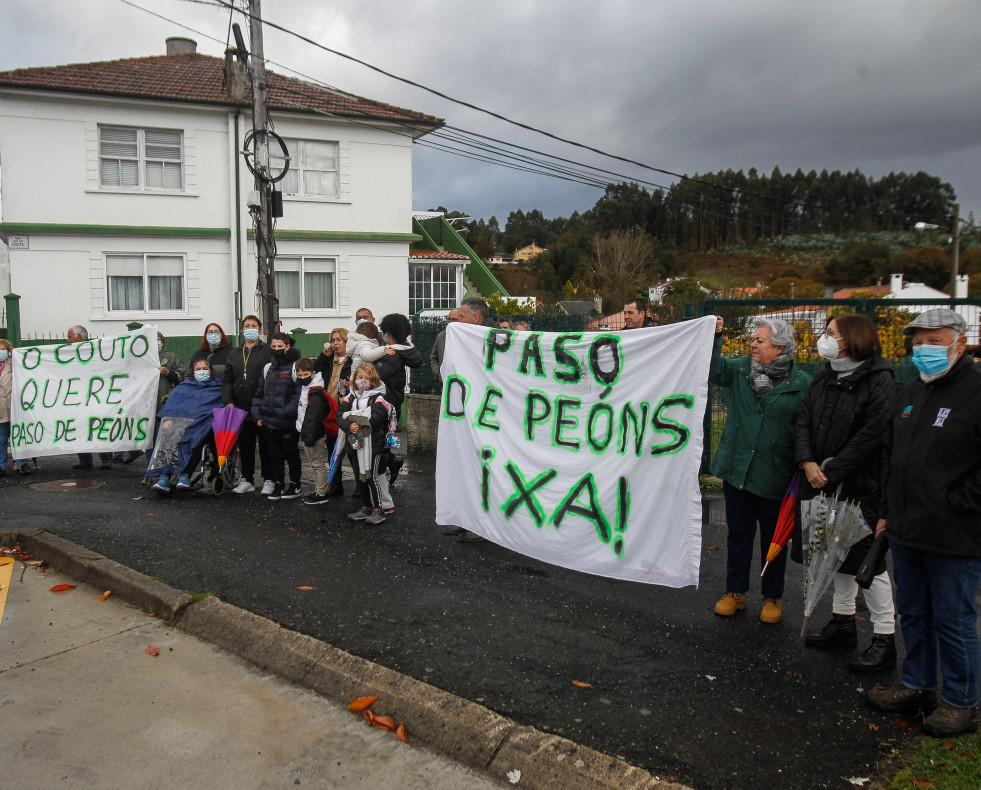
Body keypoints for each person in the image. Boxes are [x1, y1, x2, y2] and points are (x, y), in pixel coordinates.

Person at [867, 308, 981, 737]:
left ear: (959, 344)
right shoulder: (912, 391)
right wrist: (885, 510)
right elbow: (891, 456)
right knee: (913, 612)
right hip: (906, 527)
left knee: (952, 619)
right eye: (918, 341)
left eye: (935, 341)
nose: (925, 349)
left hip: (954, 534)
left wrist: (957, 503)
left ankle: (961, 701)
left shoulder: (975, 391)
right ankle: (918, 685)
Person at [795, 314, 897, 671]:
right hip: (821, 482)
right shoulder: (824, 377)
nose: (825, 338)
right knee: (833, 552)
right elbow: (804, 420)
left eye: (832, 333)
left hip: (861, 487)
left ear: (852, 338)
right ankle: (842, 621)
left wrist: (832, 470)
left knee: (867, 561)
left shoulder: (879, 380)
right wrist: (808, 462)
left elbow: (874, 433)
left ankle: (885, 635)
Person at [709, 316, 811, 624]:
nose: (752, 344)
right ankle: (735, 592)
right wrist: (716, 336)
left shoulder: (801, 384)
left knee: (773, 540)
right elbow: (713, 369)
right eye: (752, 339)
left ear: (780, 348)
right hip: (738, 470)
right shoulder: (741, 369)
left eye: (759, 340)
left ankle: (772, 597)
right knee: (738, 536)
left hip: (775, 475)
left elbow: (808, 428)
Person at [446, 297, 494, 542]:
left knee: (482, 474)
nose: (457, 321)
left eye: (461, 317)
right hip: (464, 415)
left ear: (476, 318)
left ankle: (481, 526)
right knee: (463, 469)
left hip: (487, 420)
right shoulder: (459, 338)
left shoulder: (496, 341)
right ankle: (463, 518)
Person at [147, 358, 224, 493]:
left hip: (203, 426)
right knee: (168, 435)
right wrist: (168, 419)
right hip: (181, 424)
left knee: (196, 437)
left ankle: (185, 475)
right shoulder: (184, 387)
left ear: (211, 371)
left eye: (204, 369)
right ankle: (164, 476)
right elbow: (173, 406)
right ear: (193, 373)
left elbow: (220, 408)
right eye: (198, 369)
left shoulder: (218, 387)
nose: (202, 372)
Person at [337, 363, 395, 525]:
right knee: (359, 477)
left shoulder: (378, 398)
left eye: (367, 378)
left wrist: (356, 420)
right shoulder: (350, 397)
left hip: (373, 445)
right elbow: (340, 415)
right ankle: (366, 506)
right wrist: (349, 425)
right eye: (360, 377)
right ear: (355, 379)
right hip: (355, 443)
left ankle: (379, 508)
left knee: (371, 475)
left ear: (373, 380)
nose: (363, 381)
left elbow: (377, 417)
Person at [223, 315, 273, 494]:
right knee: (245, 445)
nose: (250, 328)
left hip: (261, 406)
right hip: (240, 406)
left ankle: (269, 478)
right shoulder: (235, 353)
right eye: (246, 326)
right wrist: (228, 401)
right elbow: (227, 379)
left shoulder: (267, 350)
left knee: (266, 445)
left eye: (253, 326)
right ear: (242, 329)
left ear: (259, 330)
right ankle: (247, 478)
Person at [252, 331, 302, 501]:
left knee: (291, 454)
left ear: (287, 347)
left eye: (280, 346)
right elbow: (259, 393)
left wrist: (288, 411)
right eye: (273, 346)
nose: (276, 349)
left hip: (288, 422)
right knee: (274, 455)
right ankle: (278, 485)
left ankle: (295, 485)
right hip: (269, 422)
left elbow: (298, 394)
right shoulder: (267, 368)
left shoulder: (295, 367)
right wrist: (257, 414)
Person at [67, 325, 114, 470]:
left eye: (70, 337)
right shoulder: (66, 352)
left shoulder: (95, 350)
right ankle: (84, 459)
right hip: (78, 397)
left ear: (80, 337)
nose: (67, 340)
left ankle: (106, 459)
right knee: (80, 426)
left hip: (96, 395)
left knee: (100, 425)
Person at [295, 357, 337, 505]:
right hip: (308, 431)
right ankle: (318, 490)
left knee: (318, 464)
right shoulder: (308, 389)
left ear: (312, 373)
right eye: (299, 376)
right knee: (314, 464)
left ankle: (321, 493)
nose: (302, 378)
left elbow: (314, 416)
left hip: (314, 433)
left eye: (305, 375)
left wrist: (309, 436)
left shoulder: (315, 393)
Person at [0, 339, 30, 477]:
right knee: (1, 439)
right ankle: (1, 466)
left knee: (17, 437)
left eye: (3, 350)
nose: (1, 352)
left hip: (14, 406)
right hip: (1, 408)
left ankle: (22, 464)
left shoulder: (15, 364)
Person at [429, 308, 462, 385]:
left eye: (454, 319)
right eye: (449, 319)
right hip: (445, 383)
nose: (451, 322)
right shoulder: (441, 336)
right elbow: (433, 358)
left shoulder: (465, 337)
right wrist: (438, 373)